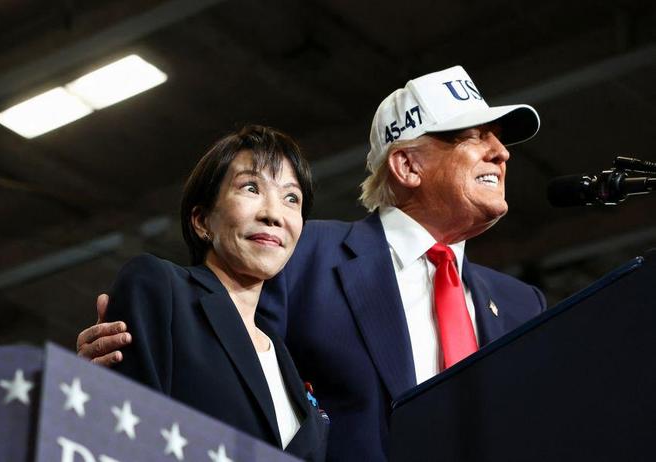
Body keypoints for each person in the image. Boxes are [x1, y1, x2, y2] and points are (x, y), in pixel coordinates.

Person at [77, 66, 547, 461]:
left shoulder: (523, 304)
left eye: (291, 198)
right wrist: (96, 385)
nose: (501, 153)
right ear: (407, 165)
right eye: (473, 136)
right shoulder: (302, 255)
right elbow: (217, 363)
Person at [97, 125, 328, 461]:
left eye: (291, 198)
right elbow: (122, 437)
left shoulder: (283, 353)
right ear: (202, 221)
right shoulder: (160, 287)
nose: (274, 215)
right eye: (251, 188)